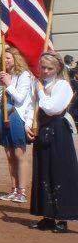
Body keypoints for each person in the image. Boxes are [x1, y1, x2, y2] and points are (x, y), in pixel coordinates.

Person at [28, 52, 78, 233]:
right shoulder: (39, 84)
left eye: (49, 68)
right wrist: (28, 124)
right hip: (42, 130)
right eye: (43, 67)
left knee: (59, 171)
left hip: (58, 132)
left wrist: (40, 90)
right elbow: (31, 106)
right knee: (43, 171)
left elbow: (51, 108)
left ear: (57, 69)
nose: (46, 71)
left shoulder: (63, 85)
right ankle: (47, 216)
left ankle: (62, 218)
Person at [0, 46, 36, 204]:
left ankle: (22, 191)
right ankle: (13, 189)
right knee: (9, 156)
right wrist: (0, 84)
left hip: (16, 115)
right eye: (4, 58)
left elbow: (20, 98)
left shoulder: (23, 75)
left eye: (8, 58)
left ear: (15, 59)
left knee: (19, 154)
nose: (5, 61)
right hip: (2, 113)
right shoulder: (1, 75)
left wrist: (9, 83)